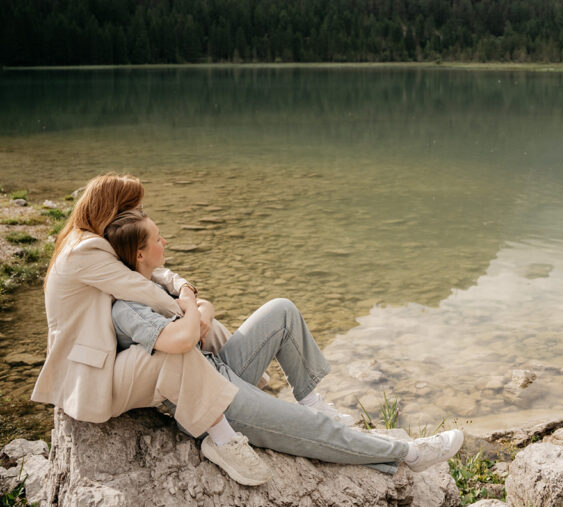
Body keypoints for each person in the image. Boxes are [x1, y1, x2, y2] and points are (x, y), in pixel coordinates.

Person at [32, 173, 462, 487]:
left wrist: (193, 299)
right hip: (193, 390)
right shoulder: (94, 259)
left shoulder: (130, 263)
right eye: (136, 211)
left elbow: (162, 278)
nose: (143, 215)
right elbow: (168, 319)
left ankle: (313, 397)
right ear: (121, 224)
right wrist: (192, 309)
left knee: (281, 311)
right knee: (313, 430)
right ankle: (410, 453)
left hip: (214, 369)